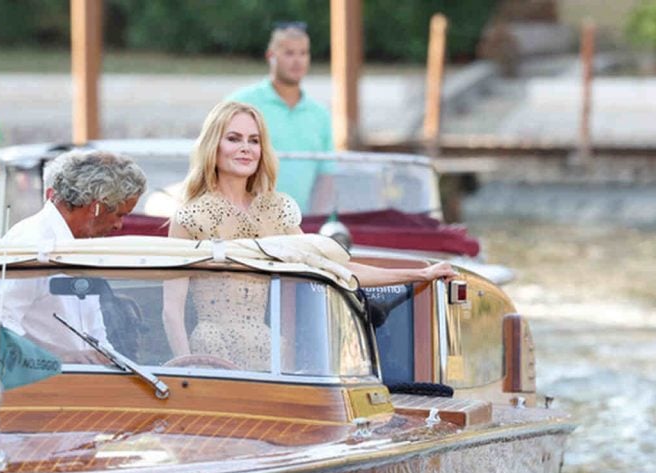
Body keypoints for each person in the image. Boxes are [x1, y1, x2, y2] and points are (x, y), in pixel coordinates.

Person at [163, 101, 455, 369]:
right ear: (213, 146)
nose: (246, 148)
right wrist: (186, 370)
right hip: (211, 350)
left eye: (254, 141)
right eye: (234, 138)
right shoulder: (190, 216)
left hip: (267, 347)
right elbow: (171, 310)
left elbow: (334, 268)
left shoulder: (275, 210)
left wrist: (419, 275)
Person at [0, 149, 147, 365]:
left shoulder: (80, 245)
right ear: (97, 206)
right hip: (27, 390)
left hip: (75, 388)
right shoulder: (31, 241)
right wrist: (62, 358)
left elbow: (95, 339)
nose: (119, 225)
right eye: (119, 214)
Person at [226, 22, 334, 213]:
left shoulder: (320, 114)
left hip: (301, 226)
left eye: (303, 53)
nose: (297, 61)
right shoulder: (240, 104)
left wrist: (314, 222)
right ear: (271, 56)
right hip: (248, 224)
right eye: (289, 53)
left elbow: (326, 176)